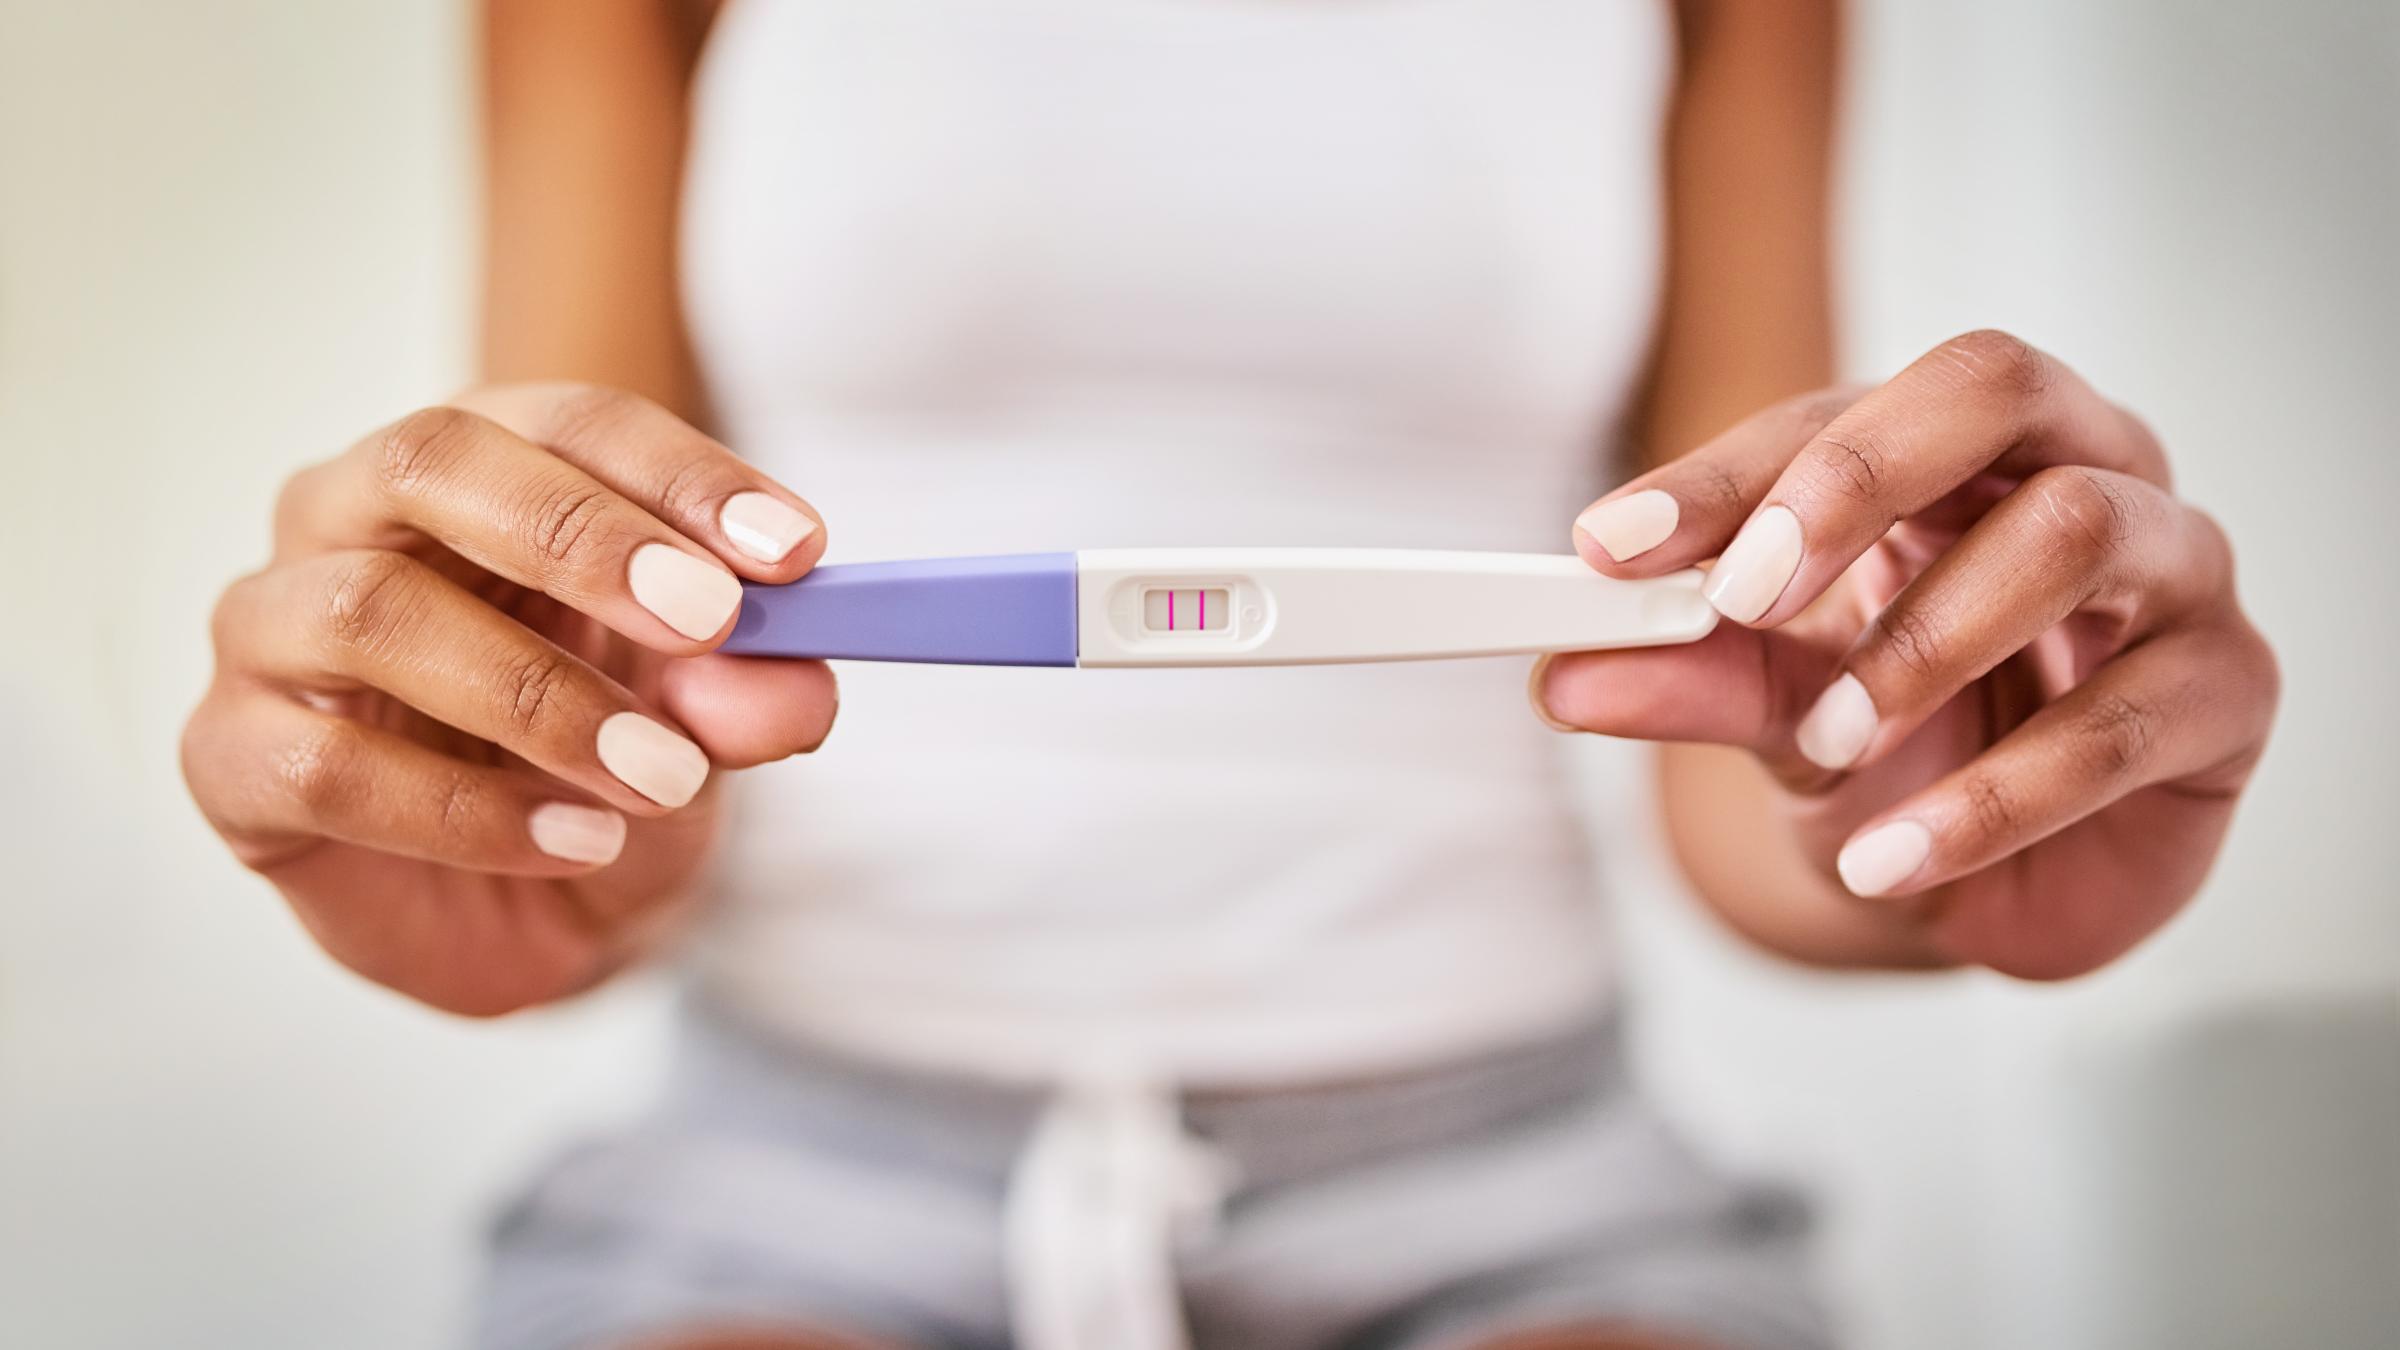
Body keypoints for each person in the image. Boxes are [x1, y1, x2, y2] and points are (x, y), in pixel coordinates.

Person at [178, 3, 2279, 1347]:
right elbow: (607, 646)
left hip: (1523, 1178)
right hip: (788, 1174)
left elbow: (1733, 697)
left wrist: (1933, 812)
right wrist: (519, 839)